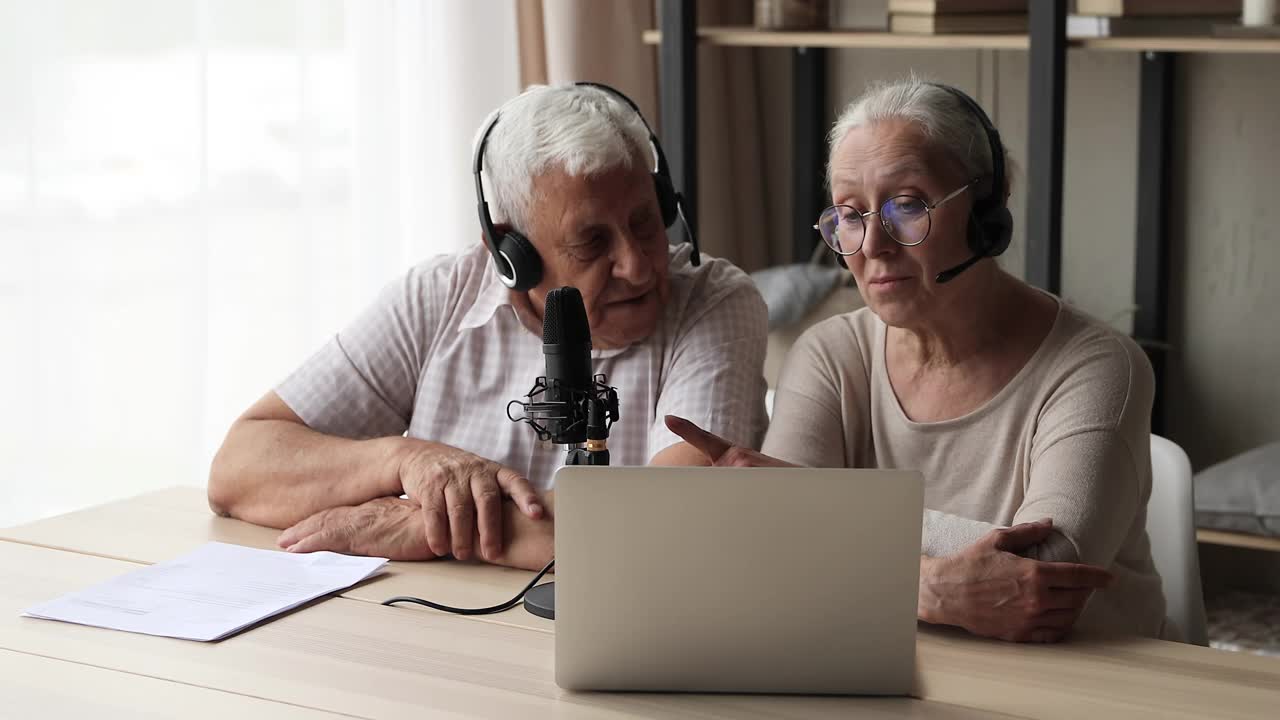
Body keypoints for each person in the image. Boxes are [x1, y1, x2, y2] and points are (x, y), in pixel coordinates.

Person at [668, 77, 1168, 643]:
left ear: (986, 211)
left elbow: (1043, 571)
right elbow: (780, 550)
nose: (872, 245)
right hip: (896, 670)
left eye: (906, 206)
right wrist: (929, 588)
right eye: (849, 214)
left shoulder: (1098, 366)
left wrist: (817, 512)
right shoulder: (831, 355)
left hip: (1092, 685)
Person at [208, 83, 768, 570]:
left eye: (646, 222)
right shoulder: (436, 297)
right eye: (592, 241)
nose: (639, 264)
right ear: (510, 253)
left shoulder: (715, 302)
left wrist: (425, 526)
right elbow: (240, 469)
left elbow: (679, 523)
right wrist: (405, 460)